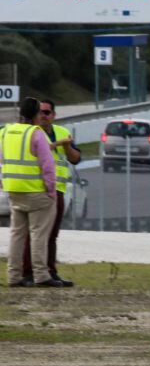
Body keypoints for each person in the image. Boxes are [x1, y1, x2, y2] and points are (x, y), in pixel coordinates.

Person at [1, 96, 60, 287]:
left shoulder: (5, 132)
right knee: (38, 235)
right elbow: (48, 165)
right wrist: (51, 191)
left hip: (14, 190)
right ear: (35, 114)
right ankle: (41, 275)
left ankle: (13, 276)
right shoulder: (36, 133)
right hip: (36, 192)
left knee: (17, 234)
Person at [20, 98, 80, 287]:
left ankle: (50, 271)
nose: (43, 116)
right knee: (34, 234)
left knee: (52, 234)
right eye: (41, 112)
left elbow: (76, 158)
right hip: (36, 188)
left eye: (47, 112)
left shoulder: (62, 132)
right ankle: (29, 272)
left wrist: (66, 145)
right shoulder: (32, 133)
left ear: (53, 115)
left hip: (57, 189)